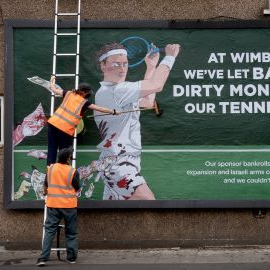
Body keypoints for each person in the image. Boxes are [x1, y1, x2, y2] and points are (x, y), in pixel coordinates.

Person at [92, 42, 180, 200]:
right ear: (103, 65)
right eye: (116, 64)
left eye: (125, 64)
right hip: (118, 165)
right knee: (148, 202)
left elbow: (147, 101)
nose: (122, 68)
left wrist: (151, 67)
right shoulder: (115, 91)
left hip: (120, 163)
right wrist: (169, 57)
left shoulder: (120, 90)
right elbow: (156, 85)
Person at [46, 76, 116, 165]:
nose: (88, 94)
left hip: (53, 124)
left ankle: (49, 173)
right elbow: (99, 108)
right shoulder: (84, 102)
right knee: (63, 154)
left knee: (52, 149)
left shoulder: (68, 93)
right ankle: (61, 173)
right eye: (87, 92)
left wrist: (52, 80)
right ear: (83, 92)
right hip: (64, 129)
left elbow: (53, 89)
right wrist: (113, 111)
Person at [37, 147, 80, 266]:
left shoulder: (50, 169)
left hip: (53, 205)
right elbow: (77, 187)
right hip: (69, 206)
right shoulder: (72, 171)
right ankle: (71, 258)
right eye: (70, 156)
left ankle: (43, 258)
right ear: (67, 158)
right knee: (71, 232)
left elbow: (46, 184)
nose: (71, 158)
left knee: (49, 231)